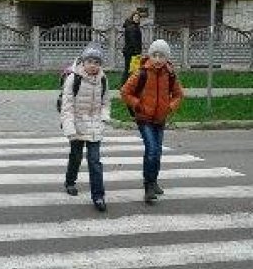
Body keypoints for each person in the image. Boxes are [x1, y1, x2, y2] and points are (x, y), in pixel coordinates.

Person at [120, 39, 184, 204]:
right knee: (152, 150)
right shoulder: (142, 72)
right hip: (144, 119)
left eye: (161, 56)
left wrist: (170, 107)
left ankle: (154, 181)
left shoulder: (169, 74)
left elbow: (178, 94)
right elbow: (125, 91)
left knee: (157, 152)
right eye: (154, 55)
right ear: (150, 56)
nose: (157, 59)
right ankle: (148, 186)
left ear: (166, 58)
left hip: (160, 119)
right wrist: (137, 104)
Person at [60, 42, 111, 212]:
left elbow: (106, 102)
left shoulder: (103, 79)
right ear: (83, 61)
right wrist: (69, 129)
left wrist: (104, 118)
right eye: (90, 61)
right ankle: (70, 181)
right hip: (76, 124)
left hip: (95, 125)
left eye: (97, 62)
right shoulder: (73, 78)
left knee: (94, 161)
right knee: (75, 156)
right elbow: (67, 107)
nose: (93, 65)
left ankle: (98, 196)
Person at [121, 11, 142, 86]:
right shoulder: (131, 27)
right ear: (132, 18)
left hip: (130, 51)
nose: (137, 19)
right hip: (131, 52)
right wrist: (137, 52)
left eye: (138, 17)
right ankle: (124, 85)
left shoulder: (133, 26)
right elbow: (133, 40)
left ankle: (127, 85)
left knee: (131, 69)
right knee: (129, 69)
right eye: (135, 17)